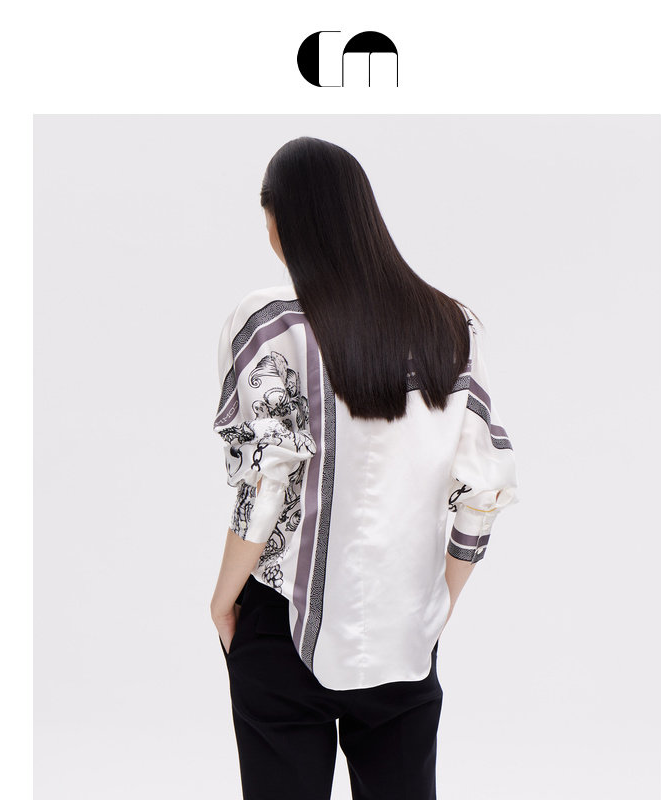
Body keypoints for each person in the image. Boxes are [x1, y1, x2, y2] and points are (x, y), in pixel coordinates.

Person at [209, 136, 519, 800]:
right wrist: (437, 604)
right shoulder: (450, 325)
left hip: (281, 622)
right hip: (403, 627)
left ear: (281, 218)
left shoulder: (270, 323)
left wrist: (223, 599)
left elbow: (267, 474)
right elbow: (483, 487)